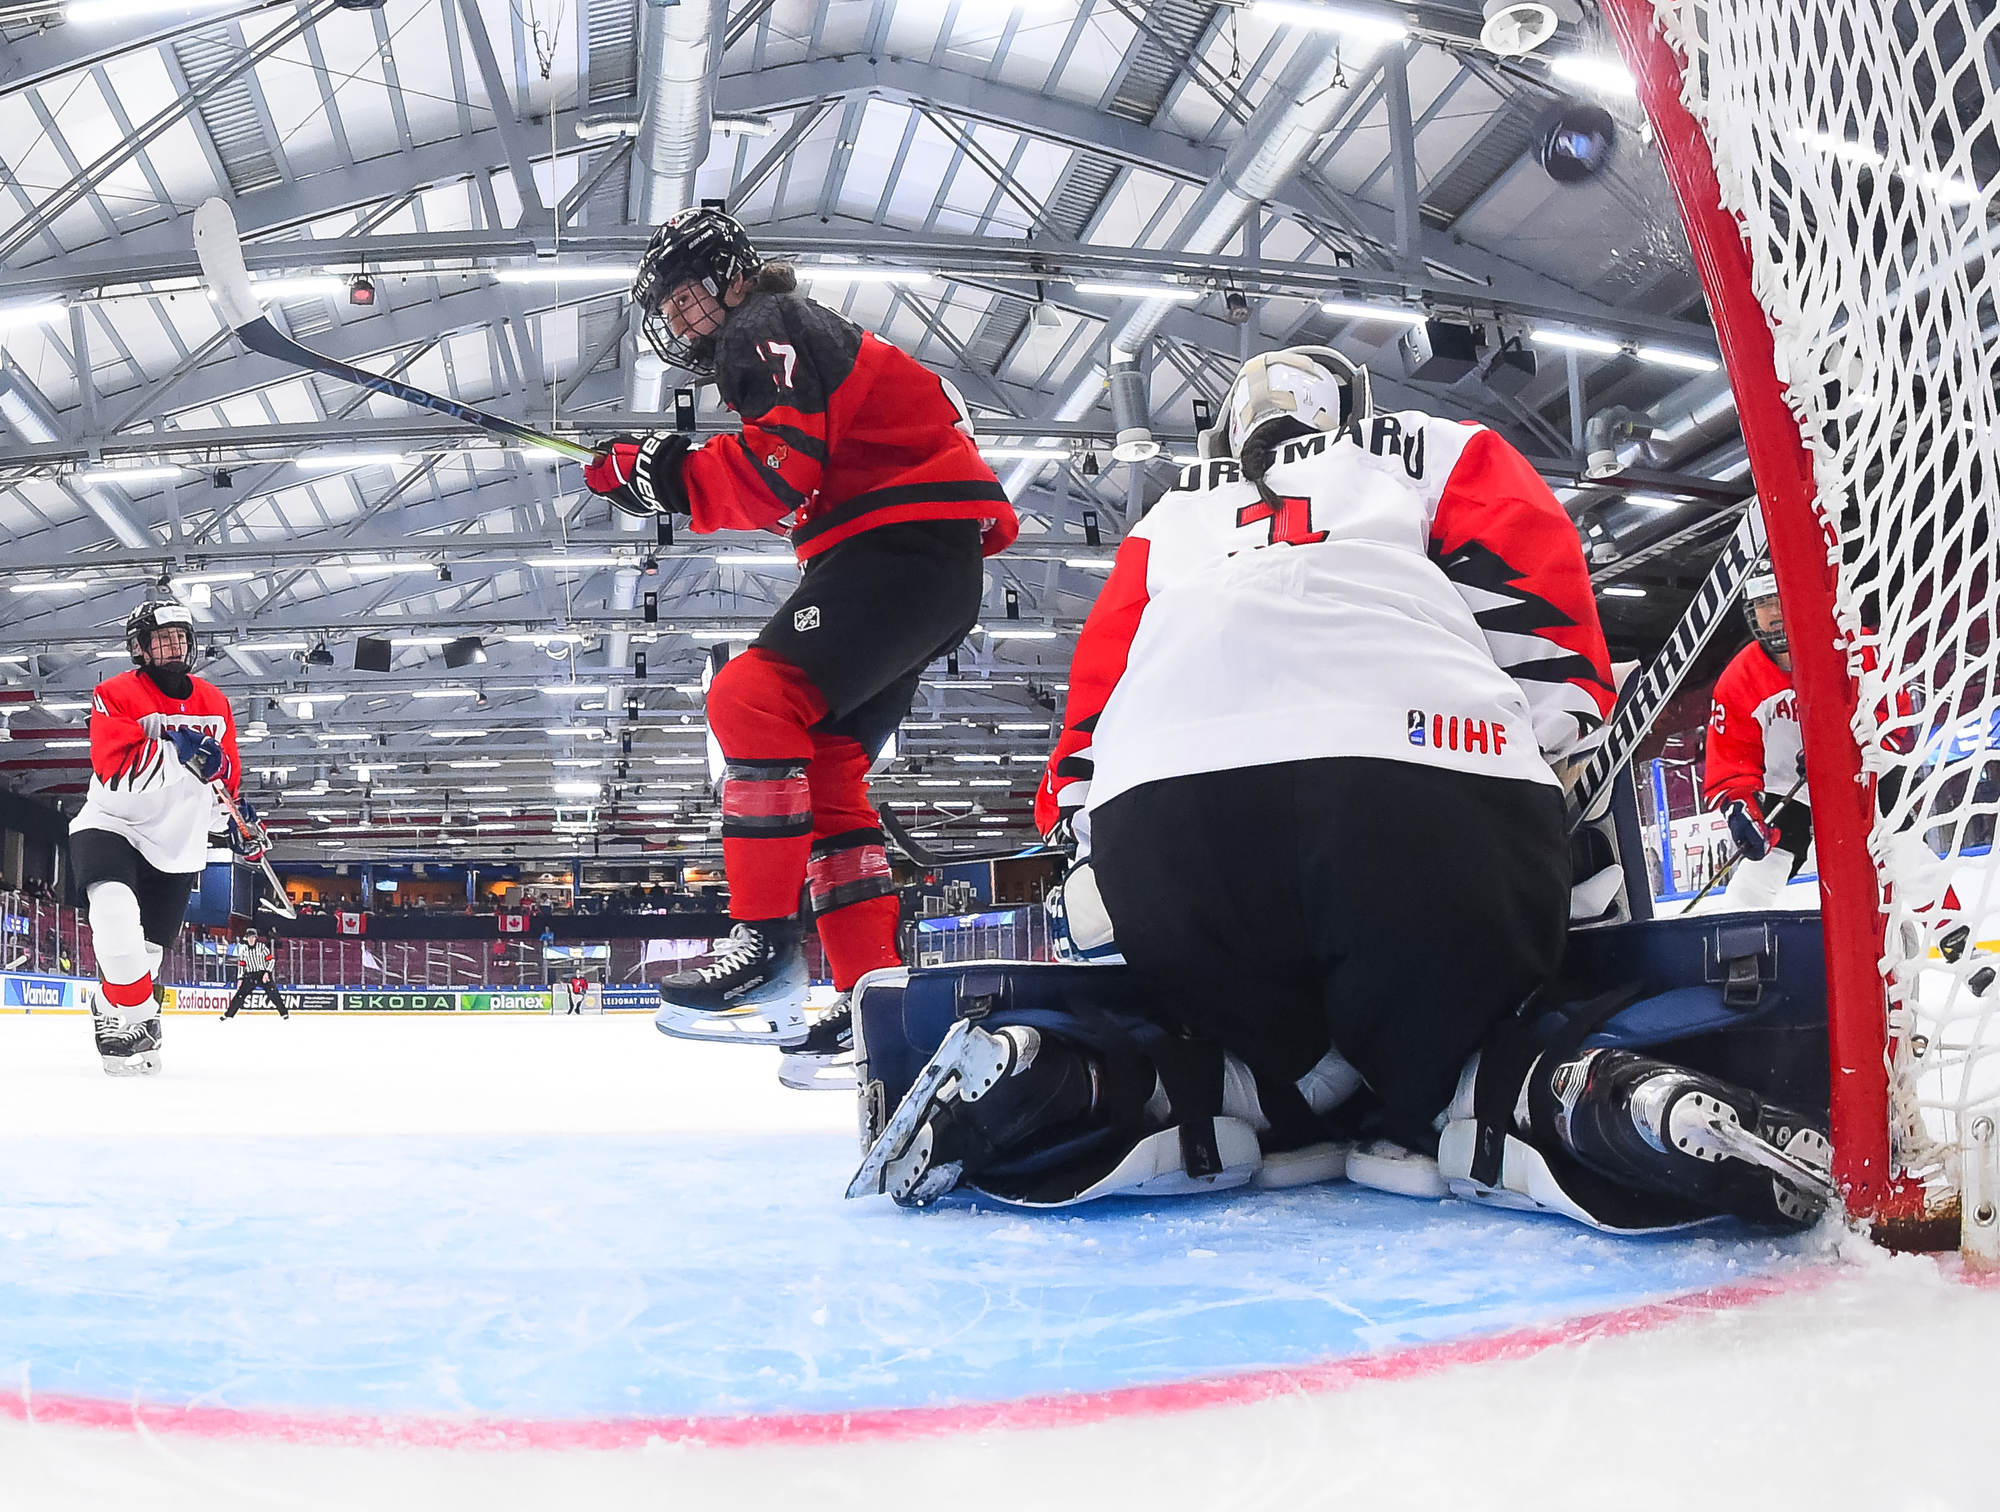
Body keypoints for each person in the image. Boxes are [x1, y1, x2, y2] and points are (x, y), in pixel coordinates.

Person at [847, 347, 1836, 1233]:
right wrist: (1550, 770)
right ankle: (1559, 1099)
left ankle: (1093, 1085)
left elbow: (1093, 704)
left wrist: (1087, 837)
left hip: (1167, 812)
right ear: (1351, 402)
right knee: (1453, 1051)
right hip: (1413, 775)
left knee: (1257, 1067)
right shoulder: (1440, 448)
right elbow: (1538, 616)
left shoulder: (1168, 515)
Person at [582, 206, 1016, 1077]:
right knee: (827, 773)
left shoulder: (765, 322)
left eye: (686, 299)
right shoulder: (791, 336)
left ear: (731, 277)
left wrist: (655, 470)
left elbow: (774, 472)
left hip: (902, 548)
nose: (680, 322)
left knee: (750, 697)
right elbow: (789, 476)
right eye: (669, 310)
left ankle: (765, 950)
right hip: (922, 563)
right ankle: (873, 1000)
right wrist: (657, 477)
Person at [70, 601, 264, 1075]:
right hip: (112, 823)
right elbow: (116, 770)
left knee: (148, 956)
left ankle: (109, 1007)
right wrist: (178, 753)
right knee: (114, 916)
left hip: (177, 843)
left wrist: (235, 822)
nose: (174, 646)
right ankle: (141, 1017)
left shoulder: (215, 703)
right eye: (162, 638)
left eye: (181, 637)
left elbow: (223, 782)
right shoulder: (114, 694)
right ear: (138, 648)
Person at [1701, 571, 1813, 908]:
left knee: (1907, 859)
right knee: (1752, 885)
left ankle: (1947, 930)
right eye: (1763, 603)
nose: (1775, 612)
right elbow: (1731, 757)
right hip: (1792, 790)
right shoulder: (1739, 679)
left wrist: (1842, 751)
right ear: (1751, 612)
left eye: (1780, 598)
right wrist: (1739, 806)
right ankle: (1740, 942)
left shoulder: (1845, 645)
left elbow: (1890, 711)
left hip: (1864, 775)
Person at [222, 927, 289, 1019]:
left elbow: (271, 960)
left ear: (255, 938)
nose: (251, 939)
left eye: (252, 937)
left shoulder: (262, 947)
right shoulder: (244, 950)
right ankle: (228, 1015)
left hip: (263, 974)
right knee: (239, 995)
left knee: (273, 993)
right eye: (249, 937)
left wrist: (267, 972)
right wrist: (240, 978)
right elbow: (242, 965)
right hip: (250, 975)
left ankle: (284, 1013)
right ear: (247, 938)